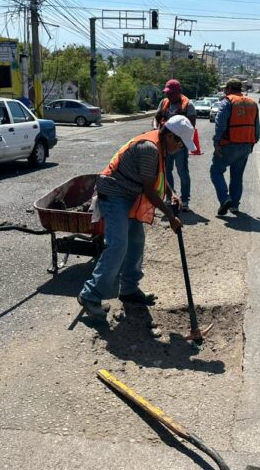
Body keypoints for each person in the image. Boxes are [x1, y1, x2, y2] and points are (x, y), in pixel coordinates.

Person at [78, 115, 196, 323]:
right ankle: (90, 295)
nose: (181, 147)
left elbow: (155, 175)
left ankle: (129, 289)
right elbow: (148, 188)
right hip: (114, 194)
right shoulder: (149, 148)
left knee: (136, 241)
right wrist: (169, 215)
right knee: (118, 245)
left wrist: (171, 192)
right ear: (169, 135)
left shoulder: (159, 145)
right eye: (179, 142)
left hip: (129, 194)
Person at [210, 79, 260, 216]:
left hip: (228, 144)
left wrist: (217, 142)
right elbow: (257, 127)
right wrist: (252, 143)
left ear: (230, 88)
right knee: (237, 176)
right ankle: (235, 206)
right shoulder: (252, 103)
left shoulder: (228, 101)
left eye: (226, 88)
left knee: (216, 171)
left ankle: (225, 199)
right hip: (245, 146)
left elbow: (220, 122)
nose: (225, 90)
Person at [154, 79, 196, 211]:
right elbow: (156, 119)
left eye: (171, 93)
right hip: (165, 144)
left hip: (179, 145)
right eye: (167, 93)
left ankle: (185, 200)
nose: (168, 96)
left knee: (182, 172)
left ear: (179, 92)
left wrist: (179, 142)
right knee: (166, 171)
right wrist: (156, 131)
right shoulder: (164, 102)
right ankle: (170, 197)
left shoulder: (188, 105)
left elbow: (191, 127)